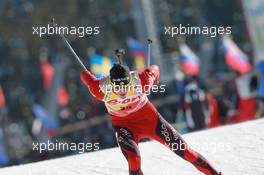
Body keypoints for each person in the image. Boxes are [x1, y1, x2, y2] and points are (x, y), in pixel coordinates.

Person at [80, 63, 222, 175]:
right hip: (125, 126)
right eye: (118, 86)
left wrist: (150, 71)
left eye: (125, 84)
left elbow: (156, 69)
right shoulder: (100, 88)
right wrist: (85, 74)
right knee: (133, 160)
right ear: (111, 83)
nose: (122, 89)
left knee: (185, 151)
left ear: (130, 79)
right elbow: (86, 78)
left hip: (151, 121)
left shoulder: (141, 81)